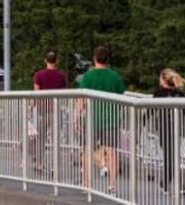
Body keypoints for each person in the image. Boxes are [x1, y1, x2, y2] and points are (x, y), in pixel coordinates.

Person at [77, 45, 127, 195]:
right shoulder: (114, 76)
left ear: (94, 59)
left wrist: (77, 117)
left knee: (87, 151)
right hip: (111, 119)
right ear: (108, 59)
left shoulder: (88, 77)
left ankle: (86, 184)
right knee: (112, 152)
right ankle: (112, 186)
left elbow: (81, 100)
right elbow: (121, 95)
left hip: (91, 119)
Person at [152, 68, 185, 196]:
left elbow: (150, 110)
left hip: (163, 128)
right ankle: (176, 185)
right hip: (175, 129)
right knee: (173, 156)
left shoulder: (158, 93)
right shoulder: (179, 93)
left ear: (163, 80)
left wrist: (141, 124)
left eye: (160, 78)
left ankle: (168, 184)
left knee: (170, 157)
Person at [30, 51, 68, 173]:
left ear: (45, 60)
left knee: (40, 138)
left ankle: (40, 164)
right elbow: (64, 93)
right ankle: (54, 167)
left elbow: (36, 93)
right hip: (56, 110)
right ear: (56, 61)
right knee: (56, 139)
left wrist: (32, 107)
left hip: (42, 110)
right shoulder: (62, 76)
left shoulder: (39, 75)